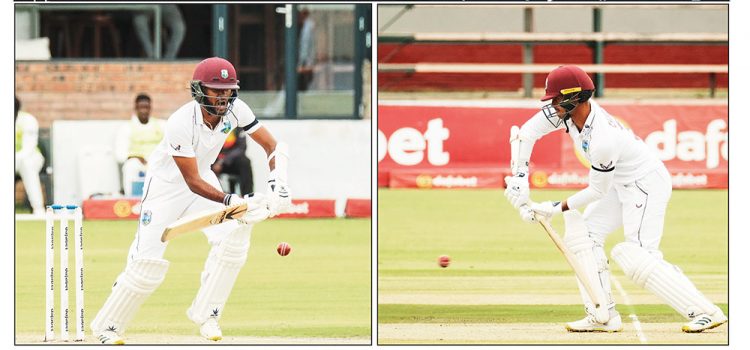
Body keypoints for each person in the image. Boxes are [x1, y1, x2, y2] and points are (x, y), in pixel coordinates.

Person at [503, 65, 727, 333]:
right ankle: (602, 314)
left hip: (645, 184)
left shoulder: (603, 139)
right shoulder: (565, 114)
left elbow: (596, 191)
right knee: (584, 234)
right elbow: (525, 133)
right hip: (621, 183)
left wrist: (554, 207)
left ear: (574, 99)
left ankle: (706, 311)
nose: (551, 105)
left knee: (634, 255)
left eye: (556, 99)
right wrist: (519, 177)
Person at [90, 57, 292, 344]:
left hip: (204, 179)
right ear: (199, 90)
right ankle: (107, 327)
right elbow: (191, 181)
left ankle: (208, 314)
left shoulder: (237, 110)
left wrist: (279, 186)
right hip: (166, 188)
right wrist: (231, 200)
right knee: (147, 263)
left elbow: (273, 146)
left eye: (228, 91)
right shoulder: (180, 122)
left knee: (234, 237)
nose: (223, 98)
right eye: (216, 90)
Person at [115, 93, 165, 197]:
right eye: (141, 107)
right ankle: (130, 199)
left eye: (146, 107)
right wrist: (136, 157)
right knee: (130, 167)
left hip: (157, 160)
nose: (144, 111)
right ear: (136, 108)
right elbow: (120, 155)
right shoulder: (127, 127)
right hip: (137, 162)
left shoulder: (161, 126)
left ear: (150, 108)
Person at [15, 96, 46, 215]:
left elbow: (28, 148)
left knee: (26, 164)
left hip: (32, 158)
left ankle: (38, 208)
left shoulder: (27, 120)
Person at [212, 128, 254, 195]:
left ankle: (247, 196)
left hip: (230, 162)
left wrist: (222, 162)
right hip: (213, 160)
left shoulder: (238, 128)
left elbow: (241, 148)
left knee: (245, 162)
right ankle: (213, 195)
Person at [297, 7, 316, 91]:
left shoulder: (308, 27)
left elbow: (307, 46)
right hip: (303, 62)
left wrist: (303, 64)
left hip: (305, 62)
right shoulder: (303, 26)